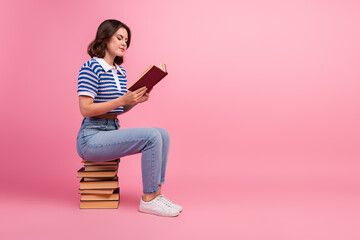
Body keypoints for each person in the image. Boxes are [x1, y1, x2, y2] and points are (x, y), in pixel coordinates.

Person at [76, 19, 182, 217]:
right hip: (91, 137)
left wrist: (134, 101)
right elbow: (85, 109)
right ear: (105, 38)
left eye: (126, 40)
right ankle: (149, 199)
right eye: (119, 38)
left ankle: (157, 194)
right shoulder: (91, 67)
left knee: (163, 134)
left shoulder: (120, 72)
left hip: (111, 130)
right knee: (151, 136)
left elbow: (118, 108)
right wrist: (122, 100)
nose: (124, 43)